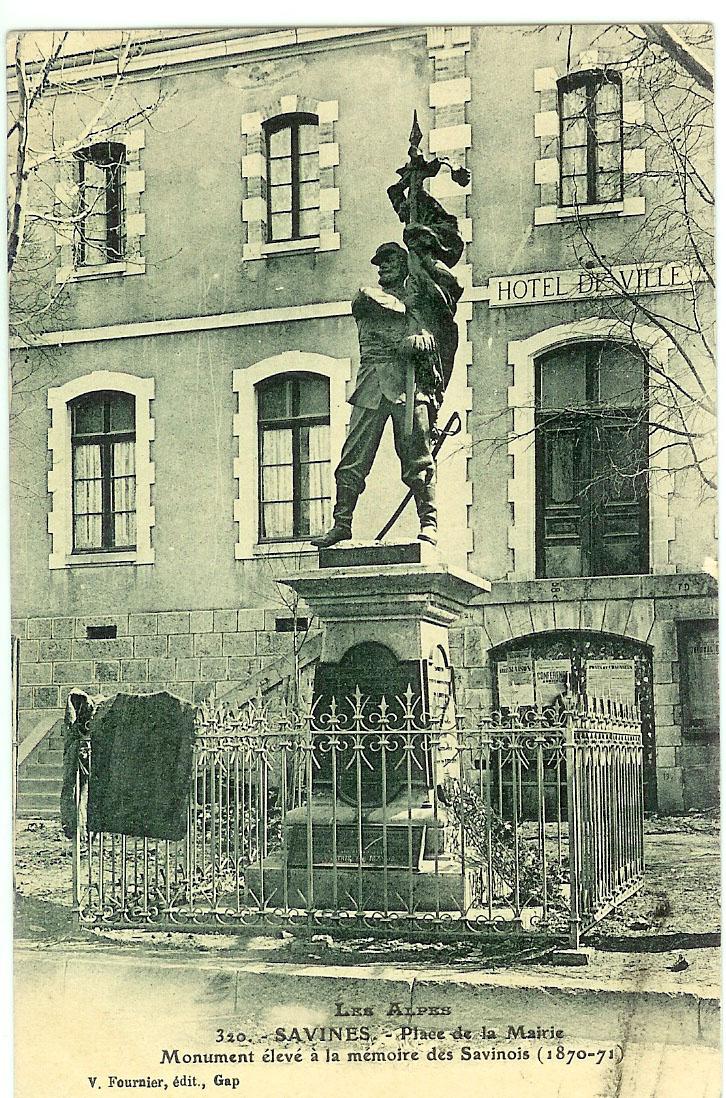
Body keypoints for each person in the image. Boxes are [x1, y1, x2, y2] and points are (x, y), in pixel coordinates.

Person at [311, 241, 439, 548]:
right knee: (353, 457)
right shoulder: (368, 297)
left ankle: (429, 522)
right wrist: (414, 322)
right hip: (371, 384)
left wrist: (424, 341)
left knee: (418, 457)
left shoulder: (420, 303)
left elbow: (435, 339)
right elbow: (381, 304)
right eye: (380, 262)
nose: (383, 266)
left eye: (391, 260)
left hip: (408, 388)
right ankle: (342, 523)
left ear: (405, 264)